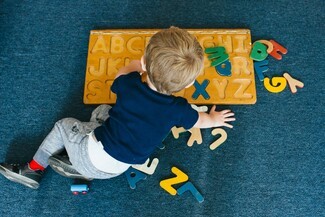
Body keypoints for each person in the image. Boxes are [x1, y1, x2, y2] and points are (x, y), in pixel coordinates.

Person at [0, 27, 235, 189]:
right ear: (189, 84)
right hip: (117, 169)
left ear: (144, 63)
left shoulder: (129, 85)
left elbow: (123, 73)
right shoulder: (178, 109)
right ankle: (75, 165)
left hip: (90, 154)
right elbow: (200, 121)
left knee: (64, 125)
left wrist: (139, 66)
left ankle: (33, 169)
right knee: (103, 112)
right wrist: (214, 119)